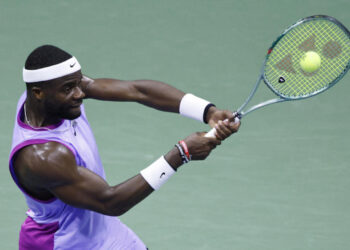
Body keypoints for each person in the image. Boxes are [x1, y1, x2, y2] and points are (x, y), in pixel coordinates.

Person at [9, 45, 240, 250]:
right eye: (69, 88)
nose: (80, 93)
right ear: (38, 93)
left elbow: (138, 91)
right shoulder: (43, 157)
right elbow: (110, 201)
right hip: (64, 242)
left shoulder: (48, 96)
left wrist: (208, 111)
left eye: (79, 83)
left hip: (102, 230)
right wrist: (181, 153)